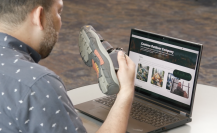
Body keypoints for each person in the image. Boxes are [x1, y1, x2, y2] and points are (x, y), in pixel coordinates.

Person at [0, 0, 135, 133]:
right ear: (39, 16)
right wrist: (126, 92)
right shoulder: (38, 84)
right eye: (58, 12)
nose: (61, 23)